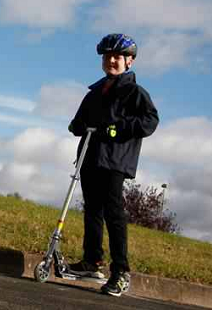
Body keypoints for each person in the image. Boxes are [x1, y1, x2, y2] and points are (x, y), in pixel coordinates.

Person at [67, 34, 159, 297]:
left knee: (113, 213)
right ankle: (91, 262)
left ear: (129, 61)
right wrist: (77, 126)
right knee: (92, 209)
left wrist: (117, 130)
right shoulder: (95, 92)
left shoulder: (134, 92)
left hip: (115, 160)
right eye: (107, 56)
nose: (111, 61)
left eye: (117, 57)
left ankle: (121, 271)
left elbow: (149, 121)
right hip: (91, 157)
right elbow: (80, 120)